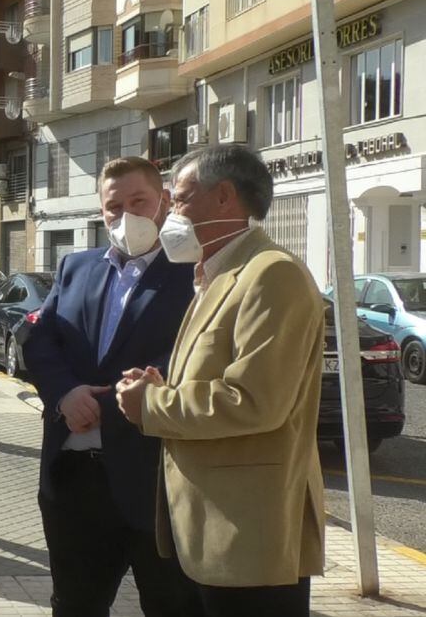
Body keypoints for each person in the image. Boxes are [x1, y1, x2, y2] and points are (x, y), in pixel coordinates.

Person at [116, 145, 325, 617]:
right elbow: (222, 377)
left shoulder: (272, 275)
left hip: (248, 541)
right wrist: (162, 388)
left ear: (225, 197)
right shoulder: (220, 274)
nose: (170, 211)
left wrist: (153, 406)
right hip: (211, 535)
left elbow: (255, 401)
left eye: (182, 199)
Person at [23, 157, 201, 617]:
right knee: (76, 605)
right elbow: (42, 340)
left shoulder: (194, 273)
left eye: (138, 201)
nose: (126, 216)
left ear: (163, 201)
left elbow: (198, 348)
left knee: (172, 605)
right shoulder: (74, 267)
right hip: (76, 481)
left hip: (154, 478)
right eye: (113, 206)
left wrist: (143, 388)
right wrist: (64, 393)